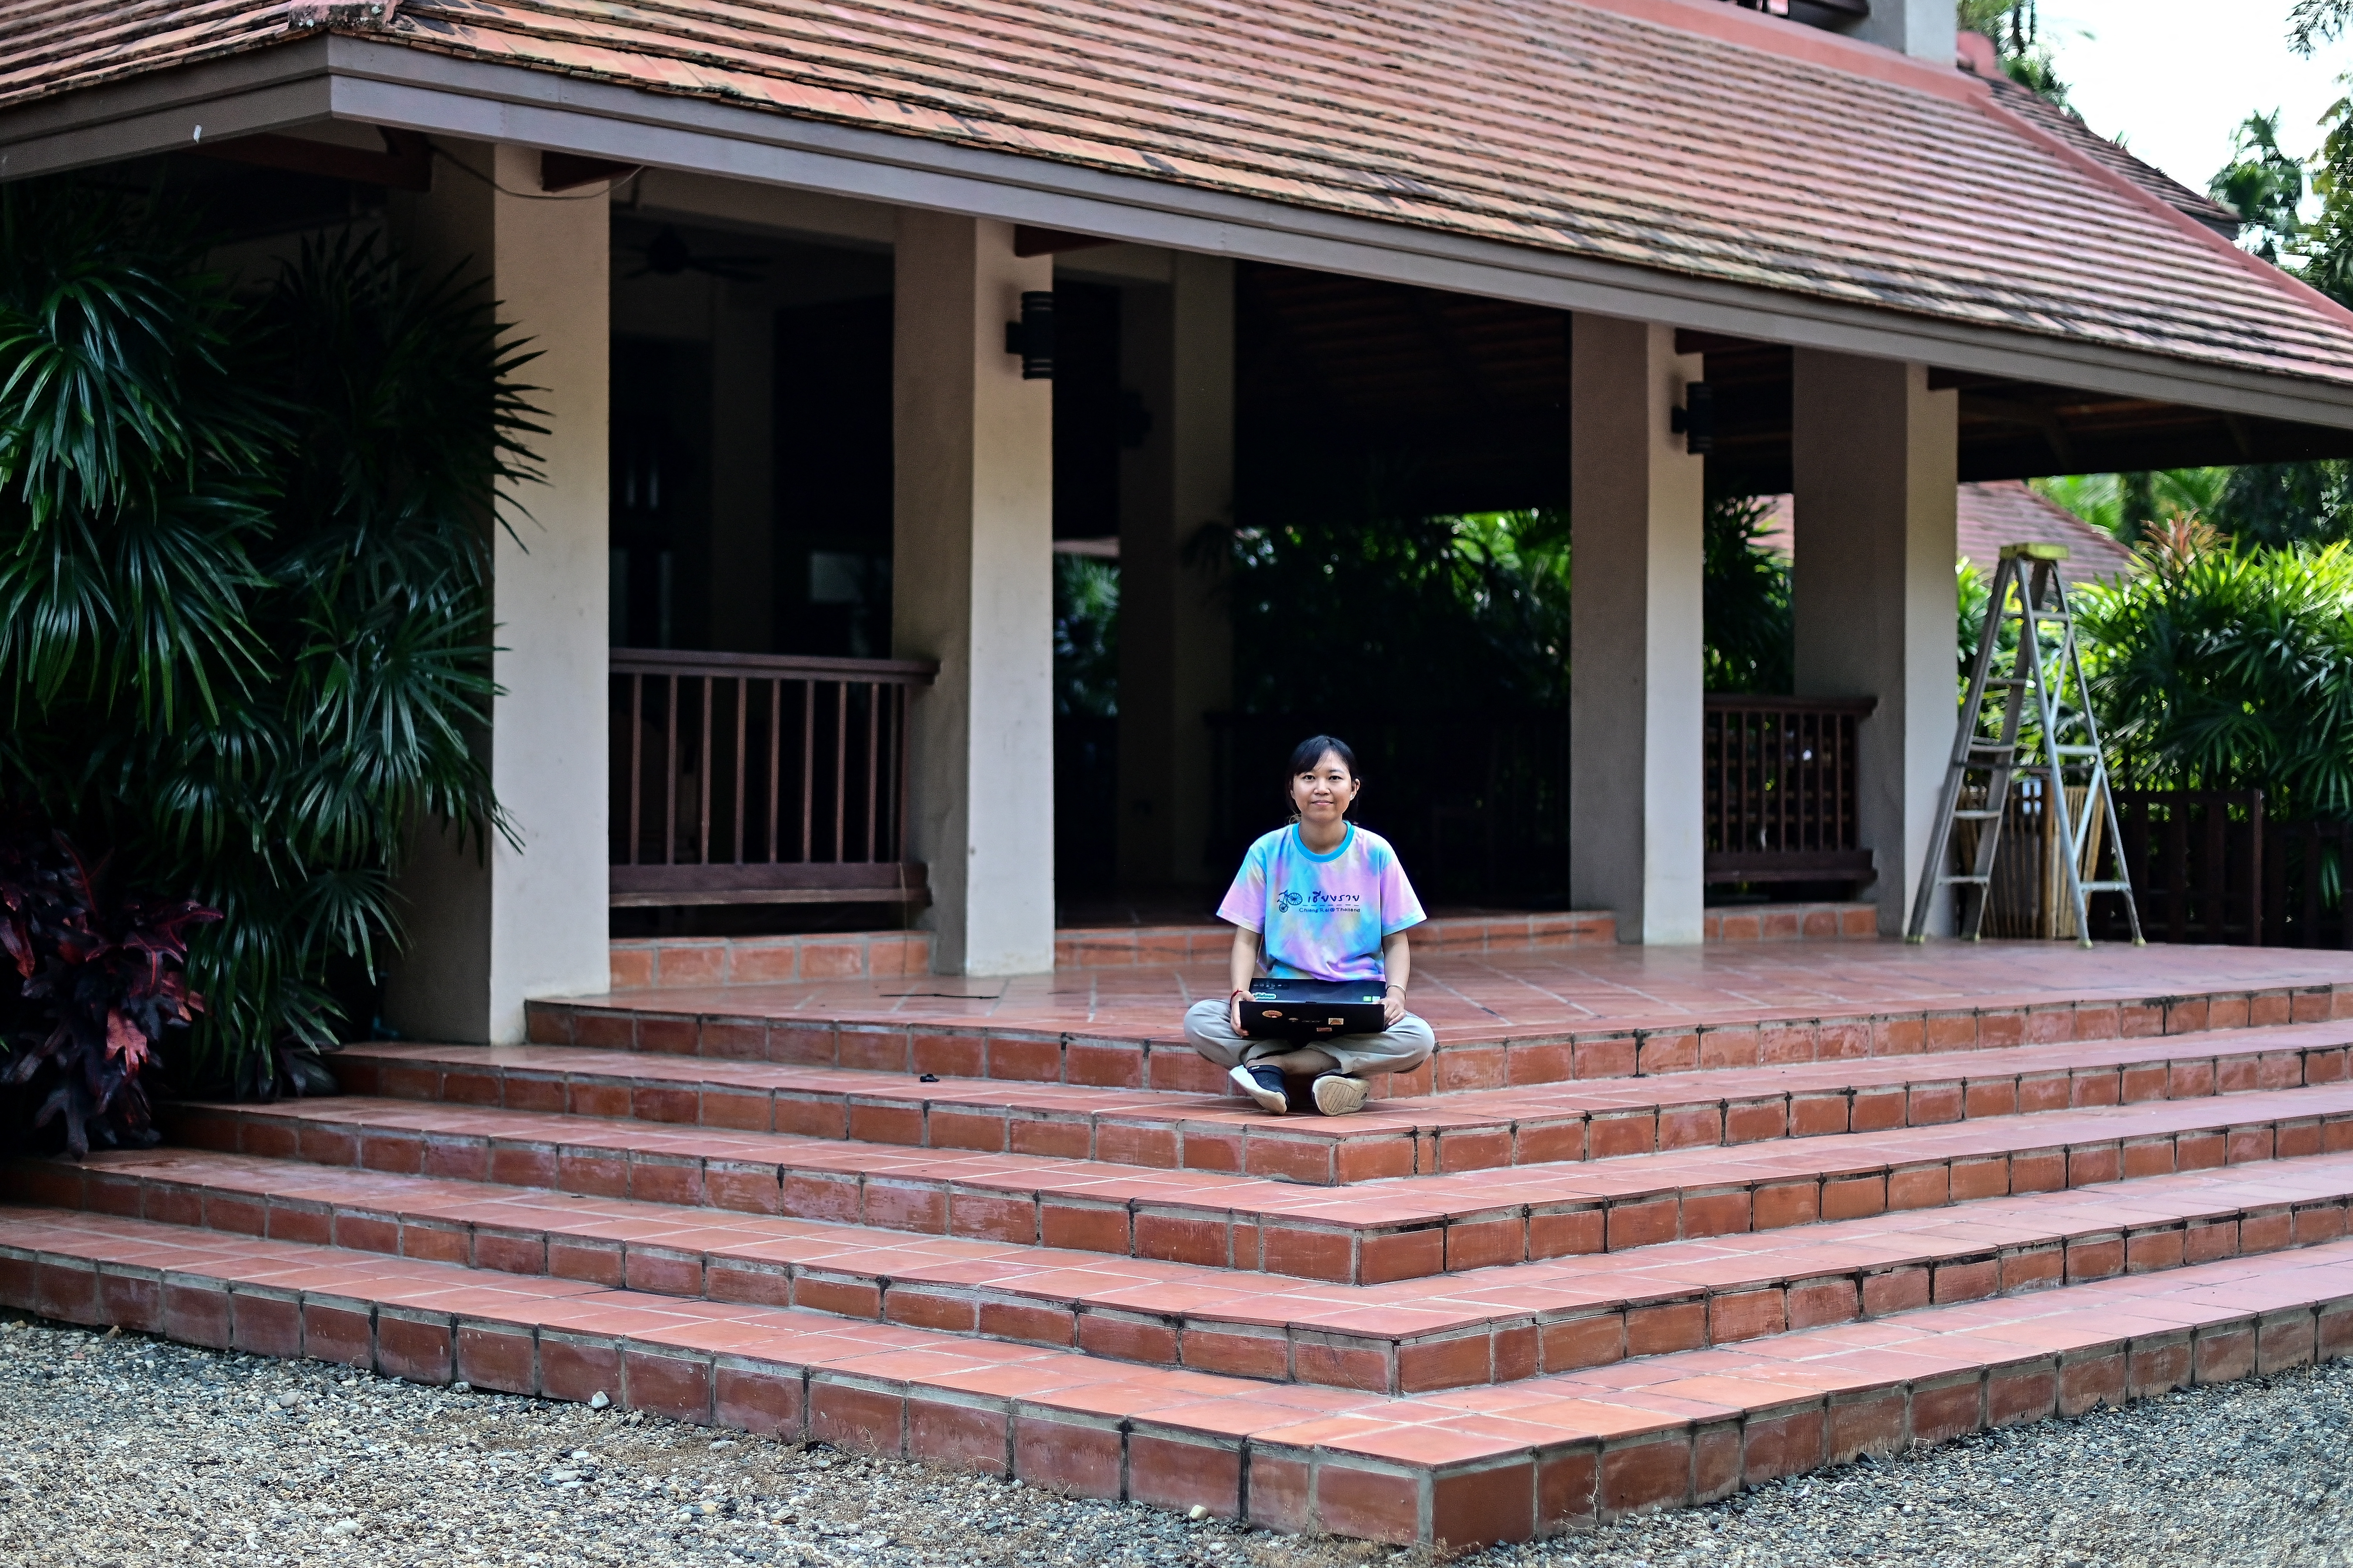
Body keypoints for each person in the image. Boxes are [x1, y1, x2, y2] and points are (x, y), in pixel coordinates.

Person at [1183, 735, 1434, 1116]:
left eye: (1334, 778)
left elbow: (1396, 942)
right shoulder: (1267, 851)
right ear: (1292, 787)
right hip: (1283, 999)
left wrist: (1396, 994)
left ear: (1354, 789)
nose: (1321, 788)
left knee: (1417, 1038)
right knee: (1200, 1019)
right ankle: (1333, 1072)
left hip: (1355, 1000)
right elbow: (1247, 939)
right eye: (1308, 777)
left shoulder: (1376, 853)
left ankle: (1274, 1067)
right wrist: (1239, 994)